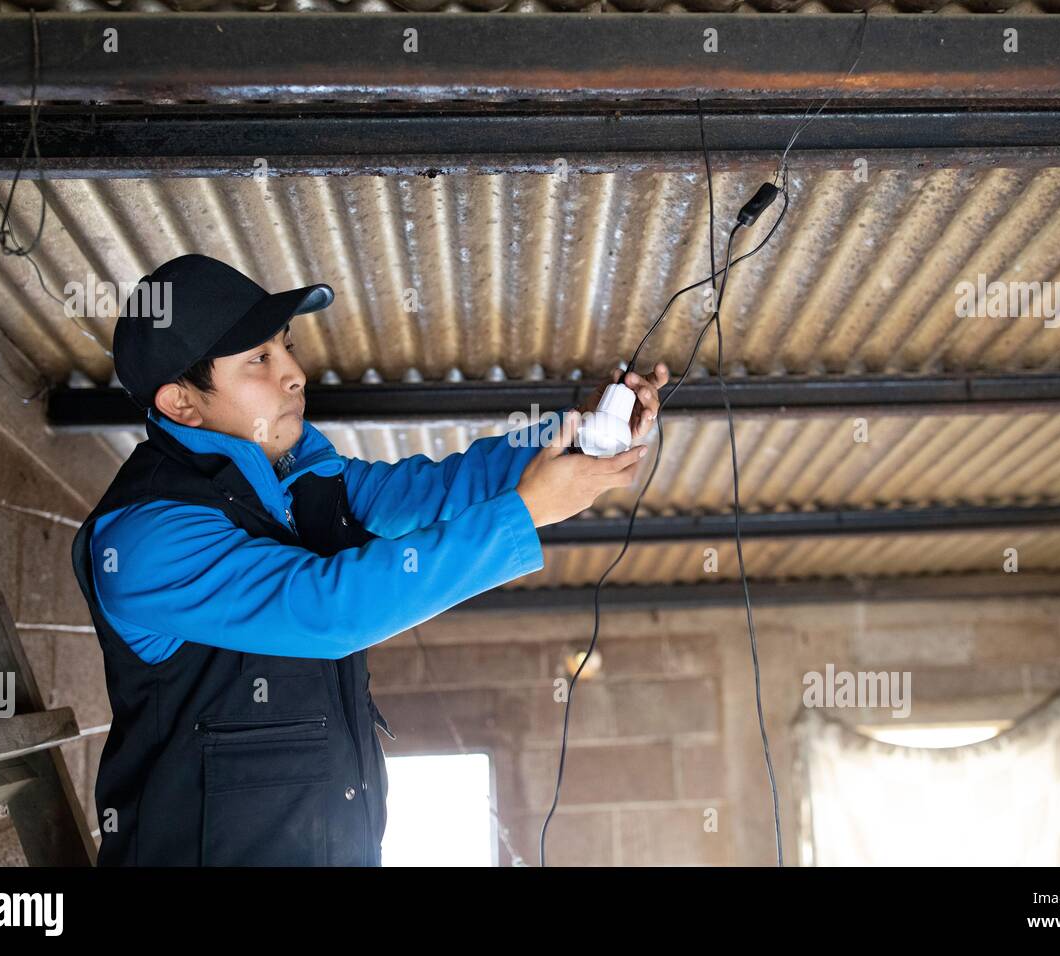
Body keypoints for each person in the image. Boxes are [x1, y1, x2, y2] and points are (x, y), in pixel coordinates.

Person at [69, 253, 669, 866]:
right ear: (182, 404)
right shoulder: (147, 538)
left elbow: (438, 490)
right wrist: (524, 514)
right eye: (259, 359)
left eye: (286, 347)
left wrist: (585, 435)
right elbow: (329, 610)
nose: (295, 374)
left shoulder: (303, 481)